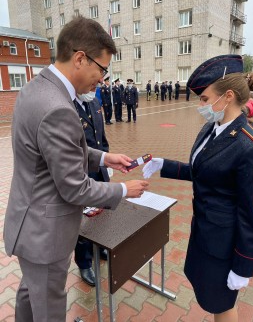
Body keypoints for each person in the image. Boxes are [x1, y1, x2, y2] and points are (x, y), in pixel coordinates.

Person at [4, 16, 148, 322]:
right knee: (49, 310)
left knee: (31, 296)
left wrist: (104, 159)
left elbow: (55, 151)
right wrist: (124, 190)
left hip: (28, 223)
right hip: (46, 233)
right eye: (102, 68)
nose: (103, 78)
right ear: (80, 58)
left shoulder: (36, 88)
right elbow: (75, 188)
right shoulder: (58, 106)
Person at [143, 54, 253, 322]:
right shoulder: (212, 128)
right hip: (204, 233)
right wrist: (164, 165)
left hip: (224, 244)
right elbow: (204, 173)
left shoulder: (249, 146)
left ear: (228, 96)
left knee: (222, 304)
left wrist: (244, 265)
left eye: (205, 99)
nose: (201, 105)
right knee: (210, 297)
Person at [74, 89, 110, 286]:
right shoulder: (67, 106)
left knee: (102, 213)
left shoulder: (95, 103)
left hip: (99, 169)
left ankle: (99, 246)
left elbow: (101, 137)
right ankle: (84, 261)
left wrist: (106, 161)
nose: (95, 86)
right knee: (84, 220)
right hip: (81, 174)